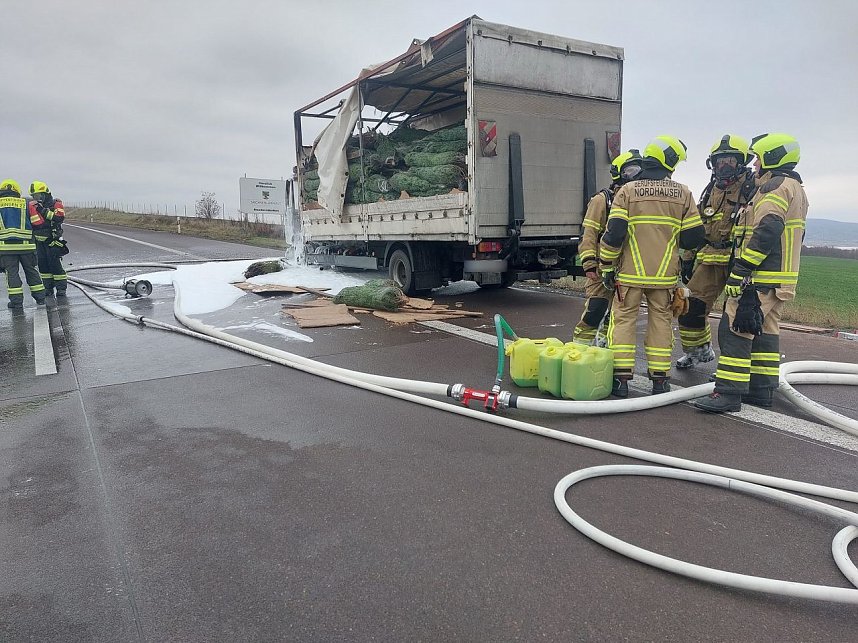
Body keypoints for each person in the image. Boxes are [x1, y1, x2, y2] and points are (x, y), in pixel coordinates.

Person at [695, 133, 808, 412]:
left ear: (772, 156)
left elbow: (767, 229)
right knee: (764, 331)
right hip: (779, 277)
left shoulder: (774, 187)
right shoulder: (795, 187)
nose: (755, 163)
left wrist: (742, 269)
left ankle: (728, 393)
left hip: (760, 277)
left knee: (734, 327)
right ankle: (760, 389)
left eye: (759, 157)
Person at [599, 136, 705, 397]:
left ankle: (621, 381)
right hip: (665, 277)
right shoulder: (683, 193)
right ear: (670, 162)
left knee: (622, 322)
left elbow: (614, 234)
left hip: (629, 274)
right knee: (661, 323)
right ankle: (660, 380)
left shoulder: (628, 191)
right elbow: (694, 238)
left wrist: (606, 266)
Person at [676, 135, 756, 368]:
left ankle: (735, 368)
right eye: (720, 161)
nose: (724, 166)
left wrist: (746, 265)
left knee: (736, 318)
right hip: (709, 260)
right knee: (689, 307)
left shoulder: (753, 188)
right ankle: (698, 352)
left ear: (742, 162)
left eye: (730, 161)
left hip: (738, 263)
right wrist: (688, 259)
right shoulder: (710, 190)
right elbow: (697, 228)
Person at [573, 149, 643, 345]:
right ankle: (580, 349)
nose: (636, 175)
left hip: (625, 270)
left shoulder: (638, 202)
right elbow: (589, 234)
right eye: (631, 170)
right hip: (601, 267)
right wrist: (589, 264)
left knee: (617, 315)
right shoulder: (602, 200)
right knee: (596, 310)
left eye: (640, 170)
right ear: (618, 173)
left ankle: (604, 350)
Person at [0, 179, 46, 308]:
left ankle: (16, 302)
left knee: (12, 274)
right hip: (27, 247)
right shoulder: (27, 203)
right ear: (16, 190)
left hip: (6, 249)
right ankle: (41, 298)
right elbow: (38, 223)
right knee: (31, 271)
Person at [29, 181, 68, 297]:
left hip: (52, 240)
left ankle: (61, 289)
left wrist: (43, 211)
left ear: (45, 193)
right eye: (34, 196)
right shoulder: (34, 206)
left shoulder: (56, 204)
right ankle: (48, 288)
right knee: (43, 266)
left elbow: (59, 218)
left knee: (55, 265)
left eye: (38, 195)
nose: (36, 198)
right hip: (39, 242)